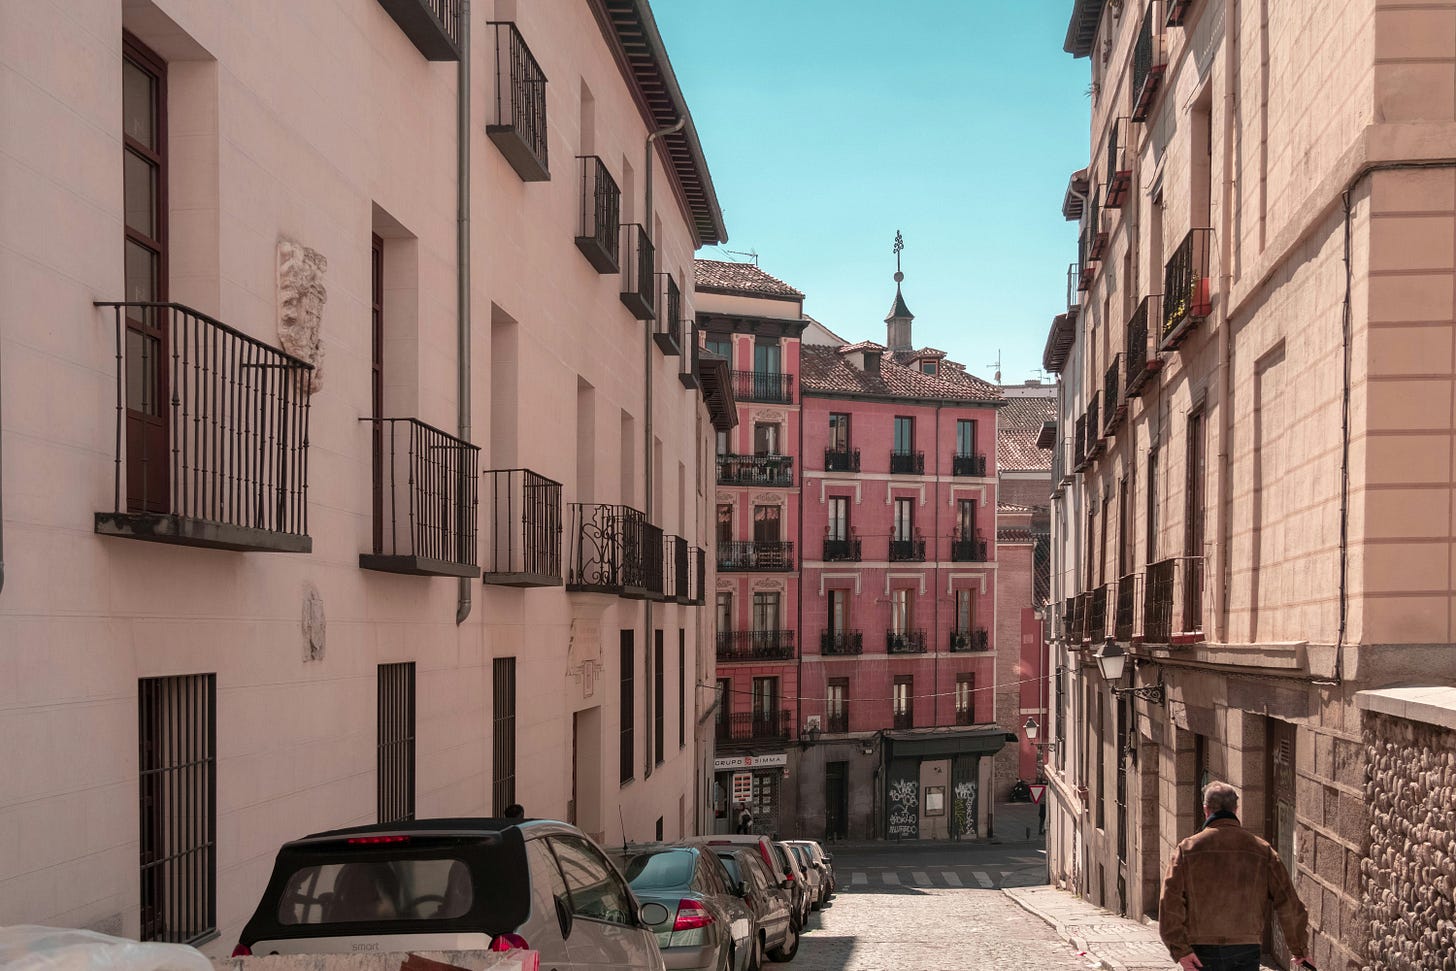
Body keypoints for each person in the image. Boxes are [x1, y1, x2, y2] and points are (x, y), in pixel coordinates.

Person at [1159, 781, 1309, 971]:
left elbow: (1170, 903)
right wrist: (1299, 949)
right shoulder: (1261, 850)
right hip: (1245, 946)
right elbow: (1287, 900)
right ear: (1235, 809)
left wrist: (1180, 950)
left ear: (1206, 810)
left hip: (1202, 948)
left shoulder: (1187, 850)